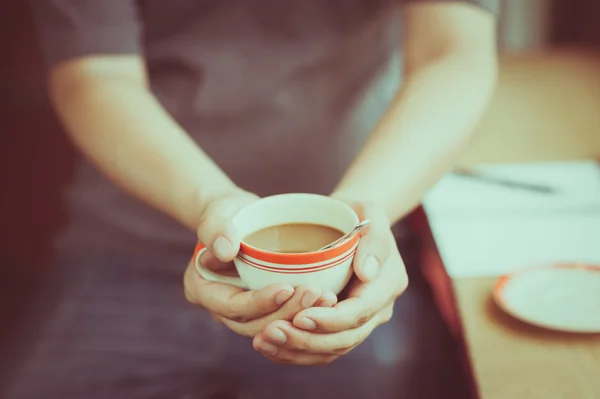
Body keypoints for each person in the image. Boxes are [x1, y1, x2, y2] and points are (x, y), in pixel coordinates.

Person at [5, 0, 498, 397]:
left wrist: (368, 208)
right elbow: (95, 76)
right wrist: (209, 202)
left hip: (347, 265)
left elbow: (451, 52)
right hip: (126, 243)